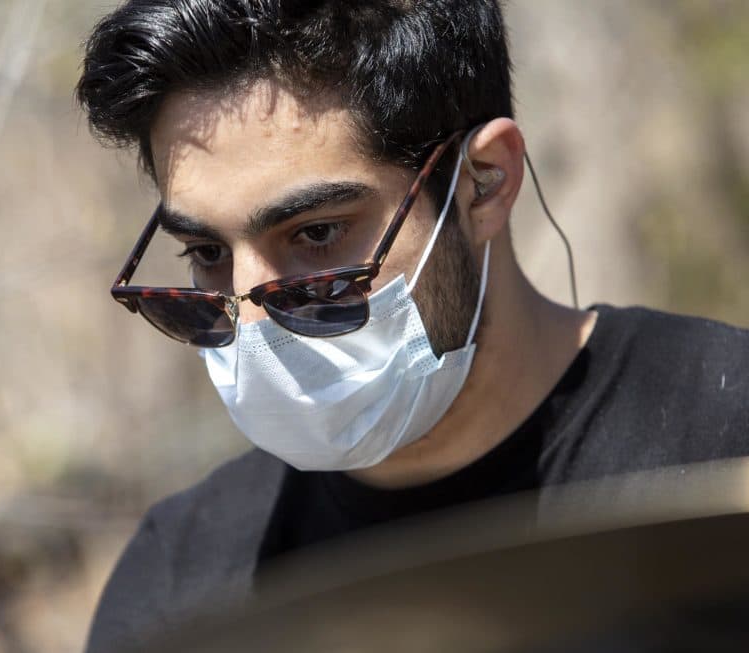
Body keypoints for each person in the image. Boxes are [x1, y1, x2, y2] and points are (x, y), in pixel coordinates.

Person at [75, 1, 749, 650]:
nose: (251, 319)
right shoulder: (176, 581)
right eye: (208, 254)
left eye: (316, 233)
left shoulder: (725, 433)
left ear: (483, 182)